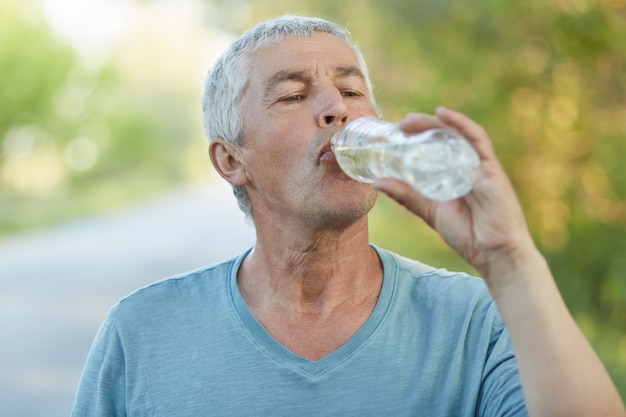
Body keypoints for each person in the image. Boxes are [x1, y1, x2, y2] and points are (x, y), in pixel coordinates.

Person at [71, 15, 625, 417]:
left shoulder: (472, 321)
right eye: (292, 96)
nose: (337, 107)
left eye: (351, 88)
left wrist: (510, 260)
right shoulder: (144, 332)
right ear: (231, 159)